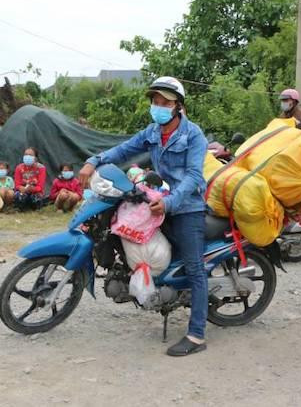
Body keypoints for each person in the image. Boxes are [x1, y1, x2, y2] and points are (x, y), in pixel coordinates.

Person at [79, 76, 208, 357]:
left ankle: (197, 334)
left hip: (187, 207)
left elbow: (195, 176)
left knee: (195, 268)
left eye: (165, 102)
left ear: (178, 106)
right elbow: (123, 150)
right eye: (155, 101)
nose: (158, 106)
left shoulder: (193, 134)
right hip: (157, 200)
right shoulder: (152, 132)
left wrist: (170, 202)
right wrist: (94, 160)